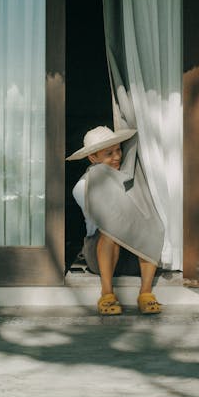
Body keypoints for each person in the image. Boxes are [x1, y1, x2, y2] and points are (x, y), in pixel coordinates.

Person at [66, 126, 163, 315]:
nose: (117, 156)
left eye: (119, 150)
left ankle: (145, 293)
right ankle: (107, 293)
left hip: (133, 254)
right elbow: (112, 221)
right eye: (108, 153)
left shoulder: (129, 179)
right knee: (111, 231)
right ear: (93, 158)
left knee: (150, 227)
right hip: (101, 254)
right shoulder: (83, 186)